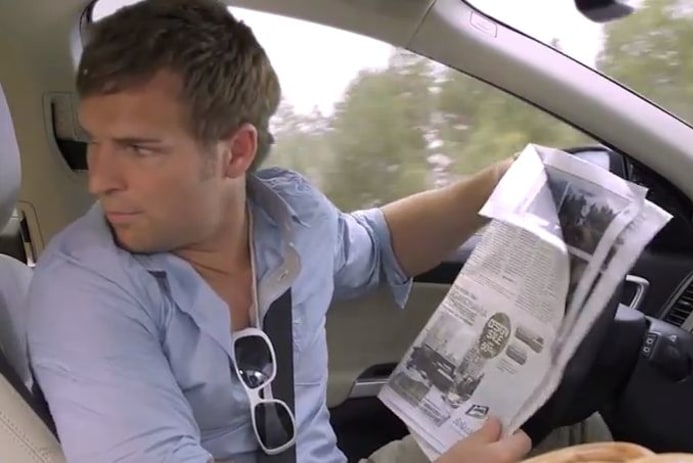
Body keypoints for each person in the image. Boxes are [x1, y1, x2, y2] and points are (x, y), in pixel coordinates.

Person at [25, 0, 606, 462]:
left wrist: (498, 184)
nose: (99, 178)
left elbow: (378, 247)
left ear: (235, 153)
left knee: (579, 414)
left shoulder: (288, 214)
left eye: (136, 149)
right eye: (96, 141)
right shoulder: (82, 290)